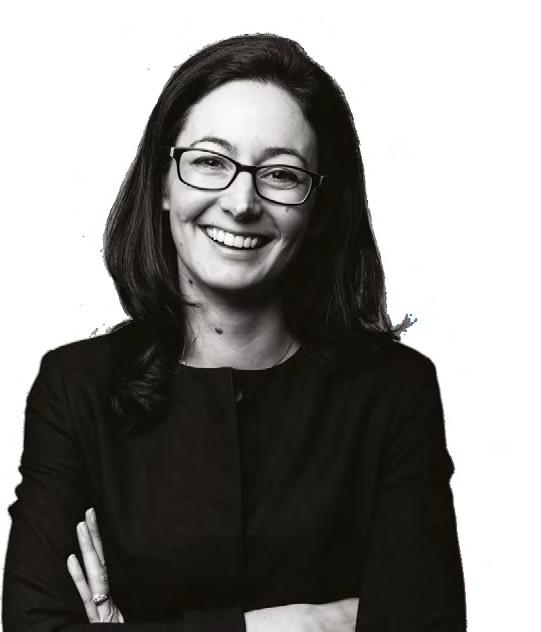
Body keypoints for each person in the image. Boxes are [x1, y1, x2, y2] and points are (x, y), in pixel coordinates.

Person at [2, 33, 467, 631]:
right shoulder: (76, 388)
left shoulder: (394, 392)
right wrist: (298, 625)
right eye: (209, 162)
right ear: (163, 183)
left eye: (281, 174)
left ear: (319, 209)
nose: (241, 201)